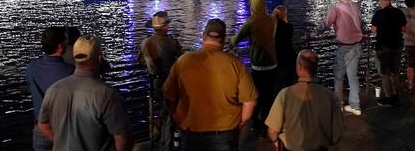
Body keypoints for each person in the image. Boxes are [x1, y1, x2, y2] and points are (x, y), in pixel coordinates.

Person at [164, 18, 257, 151]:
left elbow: (168, 95)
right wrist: (242, 125)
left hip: (190, 131)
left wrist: (176, 117)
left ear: (203, 36)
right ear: (224, 39)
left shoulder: (183, 61)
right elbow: (250, 101)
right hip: (225, 134)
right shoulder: (235, 64)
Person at [38, 34, 133, 151]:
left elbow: (43, 124)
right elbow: (122, 137)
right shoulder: (105, 94)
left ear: (74, 57)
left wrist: (62, 143)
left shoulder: (53, 89)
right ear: (99, 58)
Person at [265, 50, 343, 151]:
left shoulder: (285, 94)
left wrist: (276, 141)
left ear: (299, 67)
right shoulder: (330, 96)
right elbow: (337, 135)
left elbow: (272, 131)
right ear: (316, 68)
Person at [314, 0, 364, 115]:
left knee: (338, 76)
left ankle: (338, 105)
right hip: (357, 44)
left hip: (344, 46)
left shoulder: (336, 7)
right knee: (353, 76)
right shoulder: (357, 6)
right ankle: (355, 106)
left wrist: (314, 33)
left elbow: (326, 23)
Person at [230, 0, 278, 129]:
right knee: (269, 93)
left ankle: (256, 124)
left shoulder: (251, 21)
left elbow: (237, 38)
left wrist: (229, 45)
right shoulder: (272, 20)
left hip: (258, 63)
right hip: (273, 62)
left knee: (256, 93)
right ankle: (268, 123)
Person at [25, 27, 74, 151]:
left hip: (40, 130)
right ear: (59, 46)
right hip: (63, 130)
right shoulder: (69, 71)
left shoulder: (32, 67)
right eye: (65, 41)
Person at [140, 11, 182, 151]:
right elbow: (180, 58)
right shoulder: (172, 42)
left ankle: (158, 140)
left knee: (160, 113)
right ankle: (167, 144)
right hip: (170, 83)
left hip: (155, 83)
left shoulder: (146, 42)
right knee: (169, 114)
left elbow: (140, 60)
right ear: (165, 26)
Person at [370, 0, 407, 105]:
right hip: (397, 46)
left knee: (385, 73)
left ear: (381, 0)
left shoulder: (378, 14)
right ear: (390, 0)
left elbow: (374, 30)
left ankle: (388, 96)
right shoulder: (399, 12)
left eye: (380, 1)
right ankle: (396, 95)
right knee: (395, 72)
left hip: (383, 47)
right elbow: (404, 29)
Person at [273, 5, 298, 90]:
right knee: (290, 83)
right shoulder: (289, 27)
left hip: (277, 58)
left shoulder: (272, 28)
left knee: (278, 85)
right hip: (289, 57)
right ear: (284, 15)